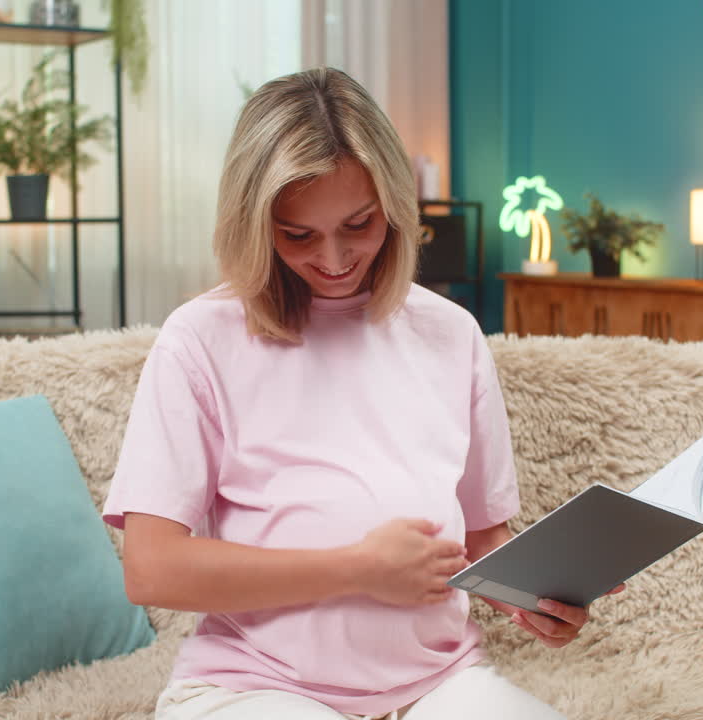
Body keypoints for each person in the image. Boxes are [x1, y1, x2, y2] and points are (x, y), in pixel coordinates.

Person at [102, 67, 622, 720]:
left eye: (359, 224)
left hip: (437, 685)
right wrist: (357, 568)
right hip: (255, 686)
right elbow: (152, 569)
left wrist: (538, 595)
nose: (335, 258)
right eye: (299, 235)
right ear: (254, 224)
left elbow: (483, 540)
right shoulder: (199, 339)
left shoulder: (451, 333)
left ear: (395, 207)